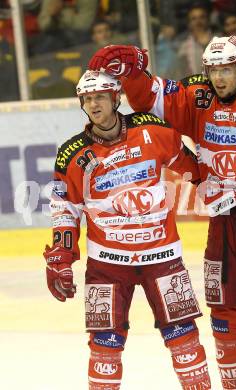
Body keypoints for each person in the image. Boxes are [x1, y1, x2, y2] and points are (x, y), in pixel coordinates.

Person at [88, 19, 236, 389]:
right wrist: (133, 70)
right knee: (224, 317)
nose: (219, 77)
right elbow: (150, 98)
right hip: (223, 219)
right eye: (213, 70)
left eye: (227, 69)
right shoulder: (197, 97)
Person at [43, 68, 212, 390]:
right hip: (107, 264)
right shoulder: (72, 154)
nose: (94, 105)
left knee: (184, 339)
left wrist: (222, 194)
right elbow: (65, 208)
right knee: (104, 346)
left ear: (115, 98)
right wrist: (61, 257)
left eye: (100, 97)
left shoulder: (152, 130)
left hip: (162, 255)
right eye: (87, 99)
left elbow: (192, 166)